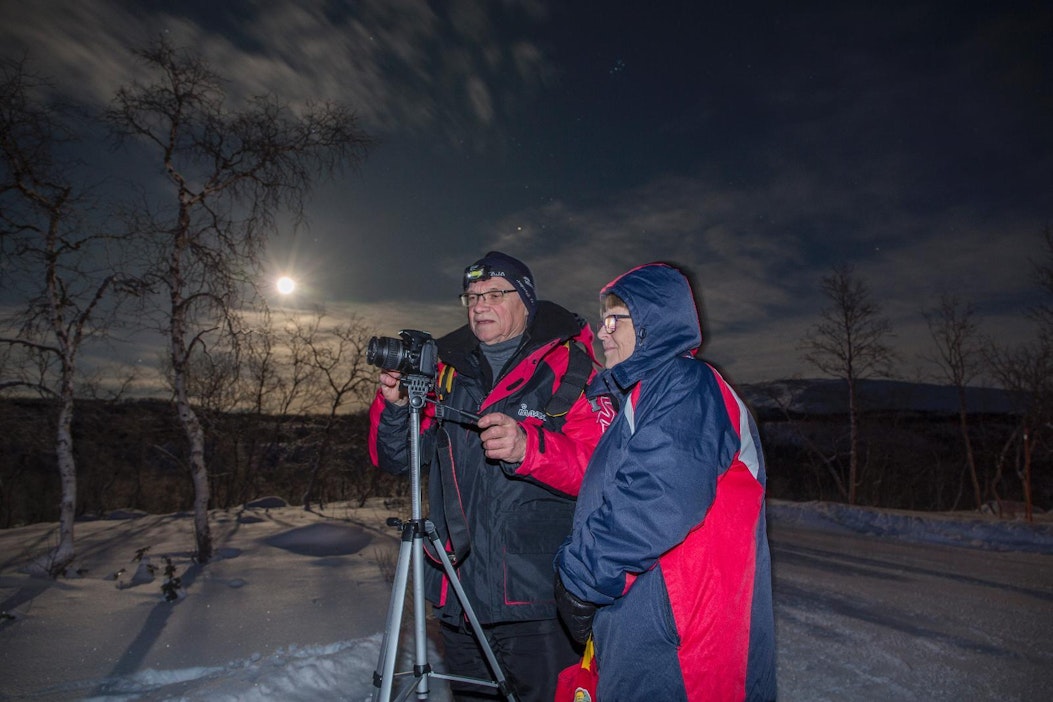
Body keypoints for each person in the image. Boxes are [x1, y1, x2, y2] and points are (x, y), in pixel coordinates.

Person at [368, 251, 604, 702]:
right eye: (472, 296)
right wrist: (395, 406)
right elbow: (394, 460)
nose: (479, 305)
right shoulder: (444, 370)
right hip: (458, 594)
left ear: (526, 300)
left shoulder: (570, 367)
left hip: (537, 598)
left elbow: (600, 472)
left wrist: (529, 448)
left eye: (494, 293)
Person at [553, 262, 777, 701]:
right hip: (647, 632)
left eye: (615, 320)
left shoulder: (687, 385)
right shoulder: (639, 401)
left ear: (654, 324)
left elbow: (657, 495)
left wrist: (580, 578)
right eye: (602, 321)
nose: (603, 333)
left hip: (688, 644)